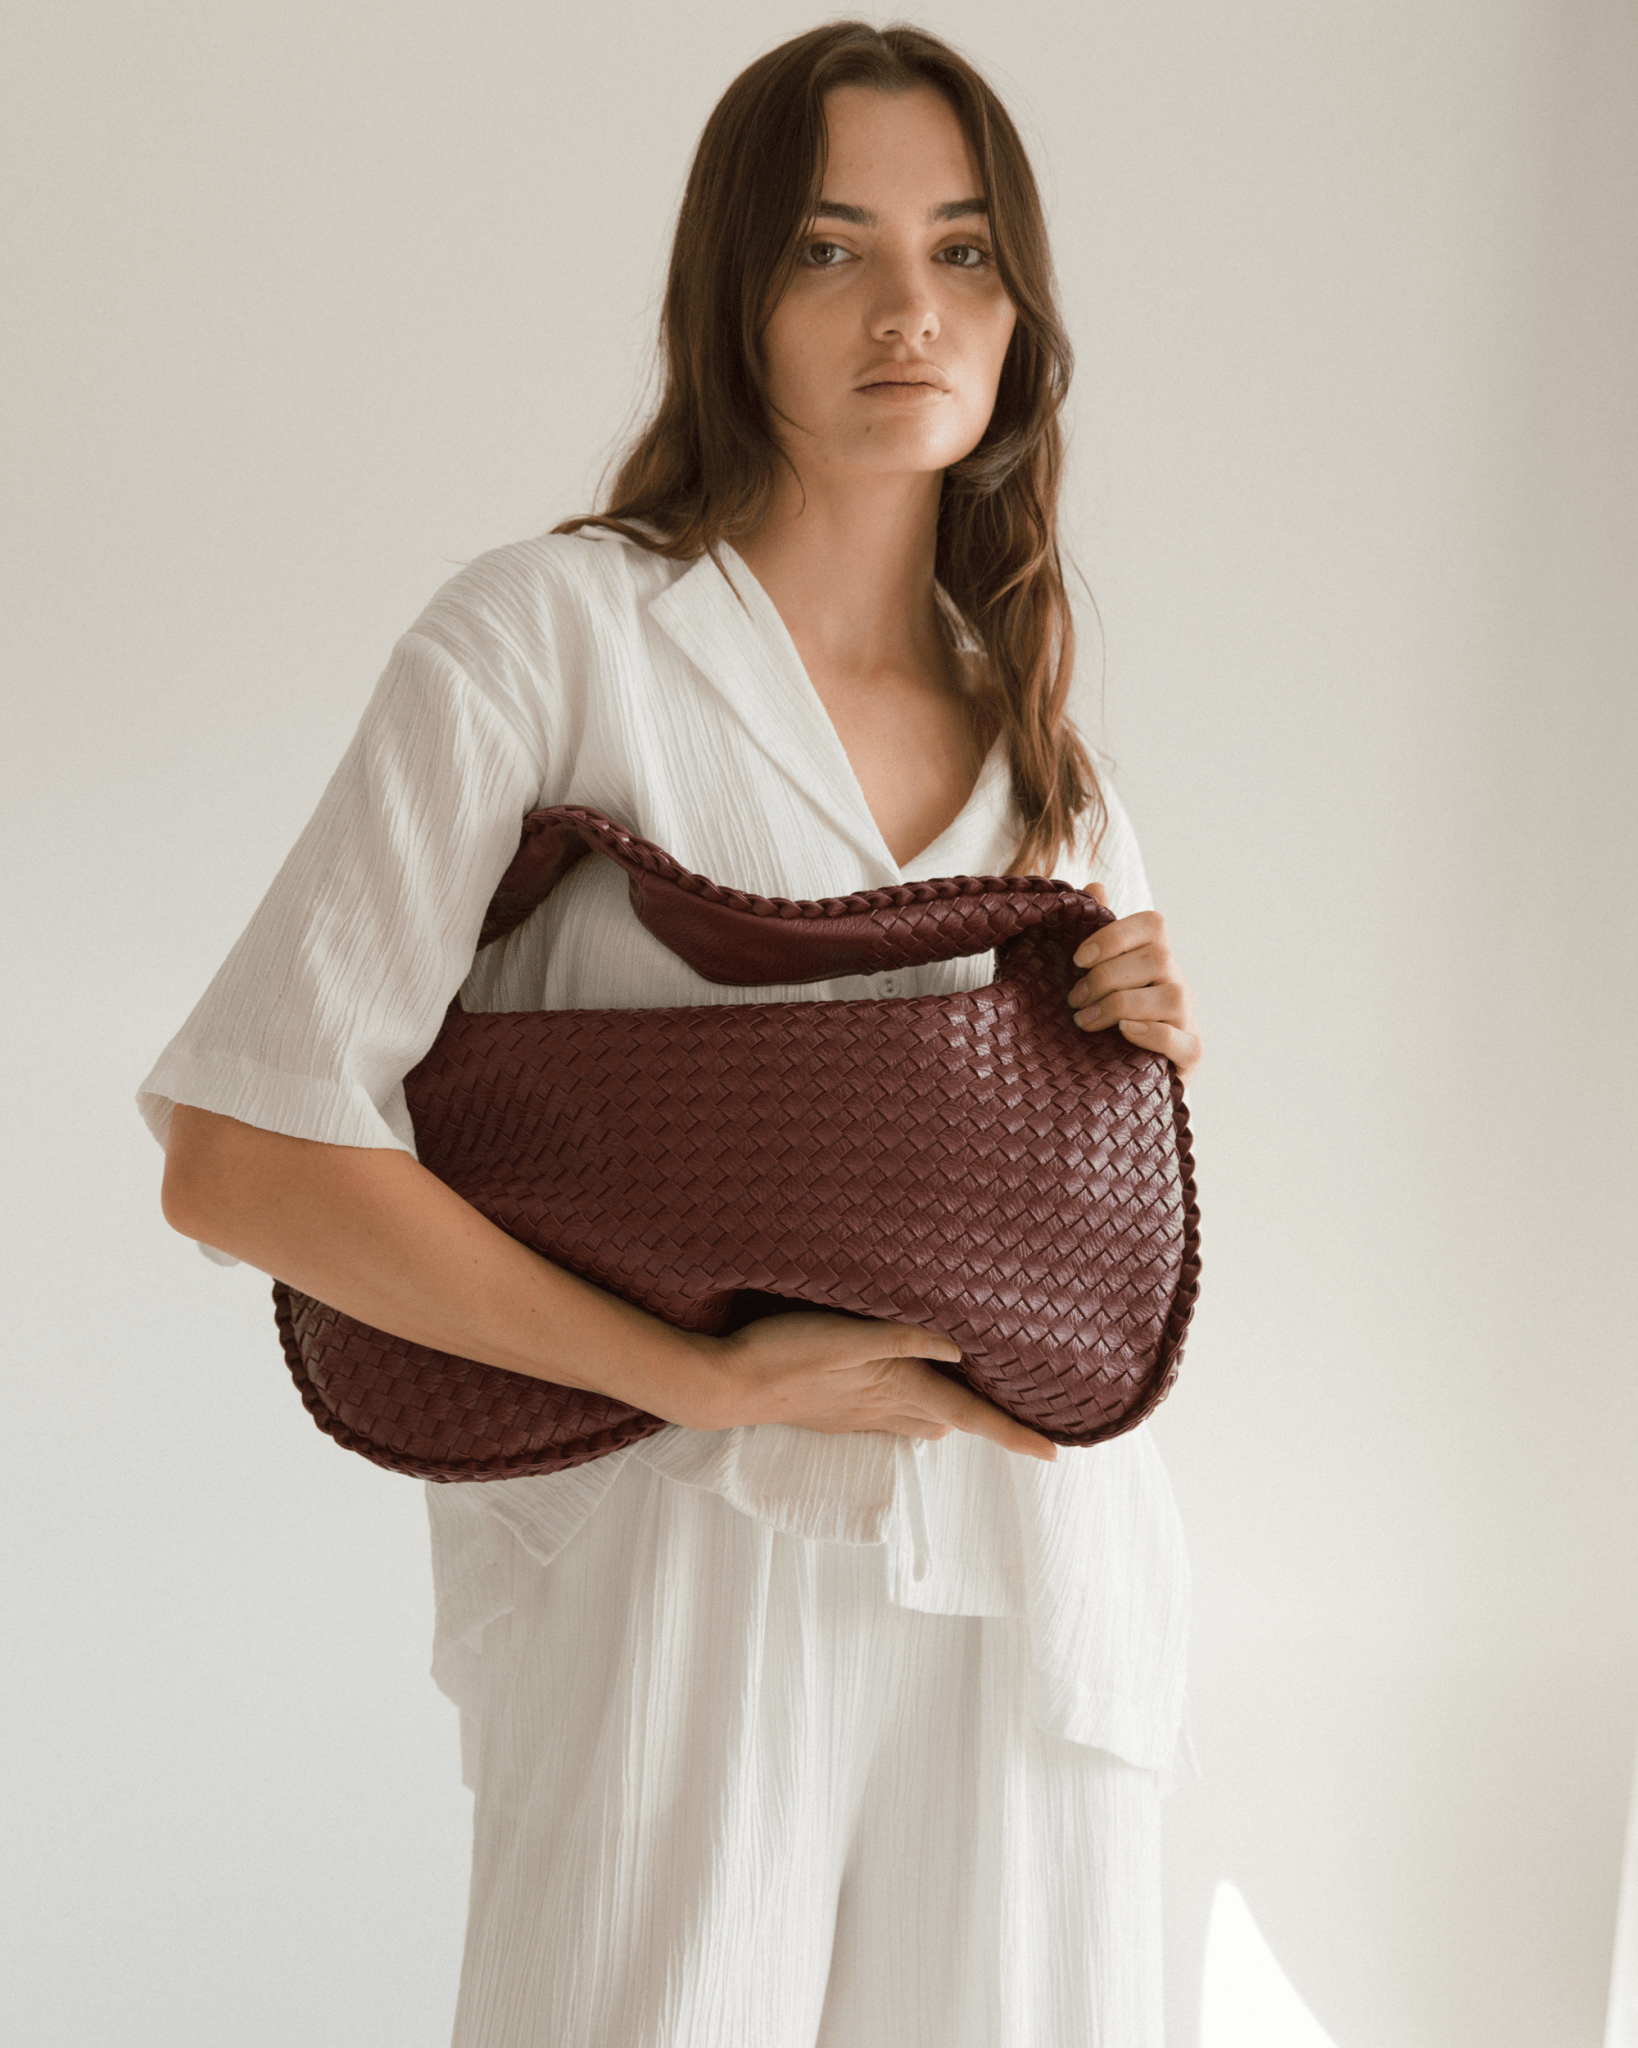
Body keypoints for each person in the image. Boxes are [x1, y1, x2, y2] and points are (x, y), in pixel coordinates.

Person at [141, 21, 1202, 2047]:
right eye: (831, 248)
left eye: (966, 251)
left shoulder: (1043, 736)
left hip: (1040, 1568)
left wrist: (1135, 1044)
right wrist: (701, 1381)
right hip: (673, 1567)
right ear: (732, 293)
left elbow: (1070, 1213)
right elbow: (245, 1151)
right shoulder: (552, 642)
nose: (911, 307)